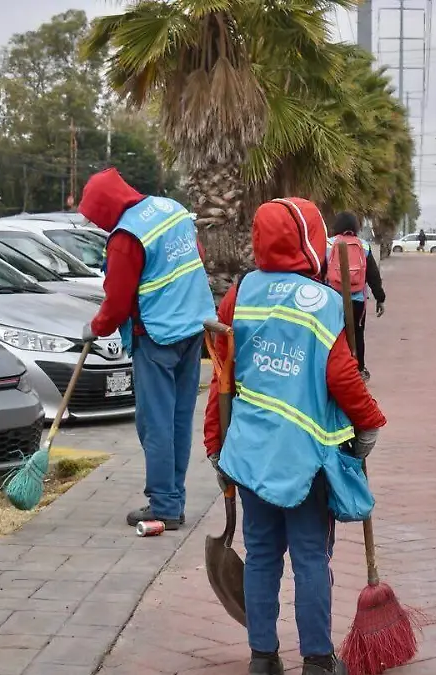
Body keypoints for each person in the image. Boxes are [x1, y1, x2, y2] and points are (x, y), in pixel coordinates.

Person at [204, 197, 386, 675]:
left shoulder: (240, 293)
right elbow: (342, 376)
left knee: (261, 554)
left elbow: (222, 376)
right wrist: (369, 422)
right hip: (306, 460)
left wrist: (214, 443)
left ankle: (263, 658)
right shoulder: (323, 302)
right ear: (309, 239)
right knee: (310, 557)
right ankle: (318, 661)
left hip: (250, 453)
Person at [79, 168, 215, 530]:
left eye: (95, 216)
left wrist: (96, 328)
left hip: (157, 336)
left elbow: (117, 302)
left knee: (155, 424)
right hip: (193, 328)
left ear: (104, 207)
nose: (98, 224)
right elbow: (196, 257)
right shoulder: (171, 209)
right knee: (179, 419)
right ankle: (175, 500)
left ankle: (164, 505)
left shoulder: (126, 237)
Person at [326, 212, 386, 381]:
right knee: (357, 334)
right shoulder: (364, 246)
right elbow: (373, 276)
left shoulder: (328, 244)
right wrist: (380, 298)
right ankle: (359, 370)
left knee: (332, 335)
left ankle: (330, 370)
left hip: (332, 299)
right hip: (357, 301)